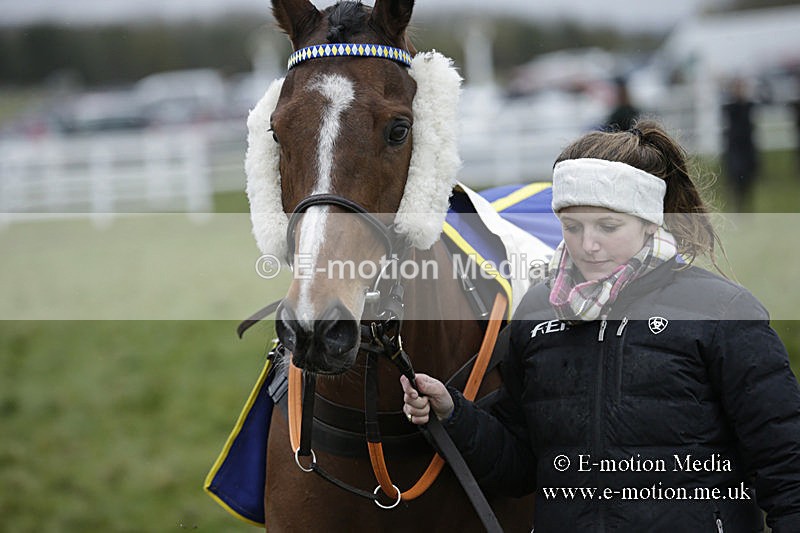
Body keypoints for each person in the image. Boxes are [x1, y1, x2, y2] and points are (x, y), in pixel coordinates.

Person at [401, 120, 800, 532]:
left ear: (650, 222)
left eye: (608, 227)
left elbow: (787, 465)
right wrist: (453, 415)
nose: (587, 244)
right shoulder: (537, 313)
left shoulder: (723, 311)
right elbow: (522, 466)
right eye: (572, 227)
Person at [721, 78, 759, 212]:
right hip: (735, 149)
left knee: (748, 180)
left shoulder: (749, 106)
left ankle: (746, 208)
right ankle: (738, 208)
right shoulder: (731, 107)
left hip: (747, 148)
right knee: (736, 178)